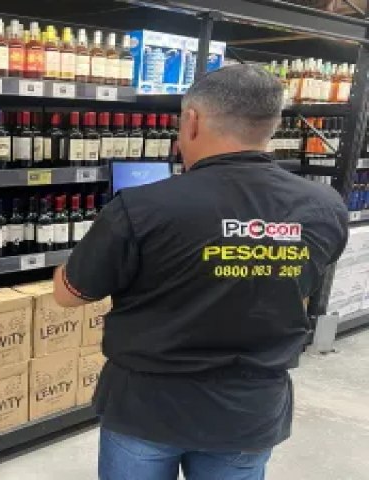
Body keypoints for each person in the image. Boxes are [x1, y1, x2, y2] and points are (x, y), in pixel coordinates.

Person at [52, 64, 348, 480]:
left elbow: (69, 294)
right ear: (272, 124)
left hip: (146, 406)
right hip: (247, 409)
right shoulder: (324, 206)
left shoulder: (140, 208)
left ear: (191, 122)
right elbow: (301, 285)